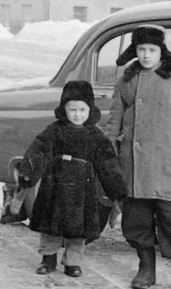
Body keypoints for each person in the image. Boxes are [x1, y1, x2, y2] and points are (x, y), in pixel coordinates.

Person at [105, 25, 171, 289]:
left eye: (152, 50)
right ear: (134, 51)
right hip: (132, 164)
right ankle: (146, 269)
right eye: (141, 50)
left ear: (162, 51)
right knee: (137, 221)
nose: (146, 56)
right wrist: (111, 158)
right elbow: (114, 121)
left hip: (167, 163)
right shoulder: (126, 79)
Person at [18, 80, 128, 277]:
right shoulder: (54, 130)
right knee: (50, 227)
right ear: (64, 110)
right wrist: (29, 173)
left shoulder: (95, 135)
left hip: (82, 192)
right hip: (55, 187)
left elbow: (107, 163)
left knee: (78, 230)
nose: (77, 114)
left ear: (90, 109)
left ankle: (73, 262)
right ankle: (48, 258)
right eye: (72, 109)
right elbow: (38, 151)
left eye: (82, 109)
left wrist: (117, 189)